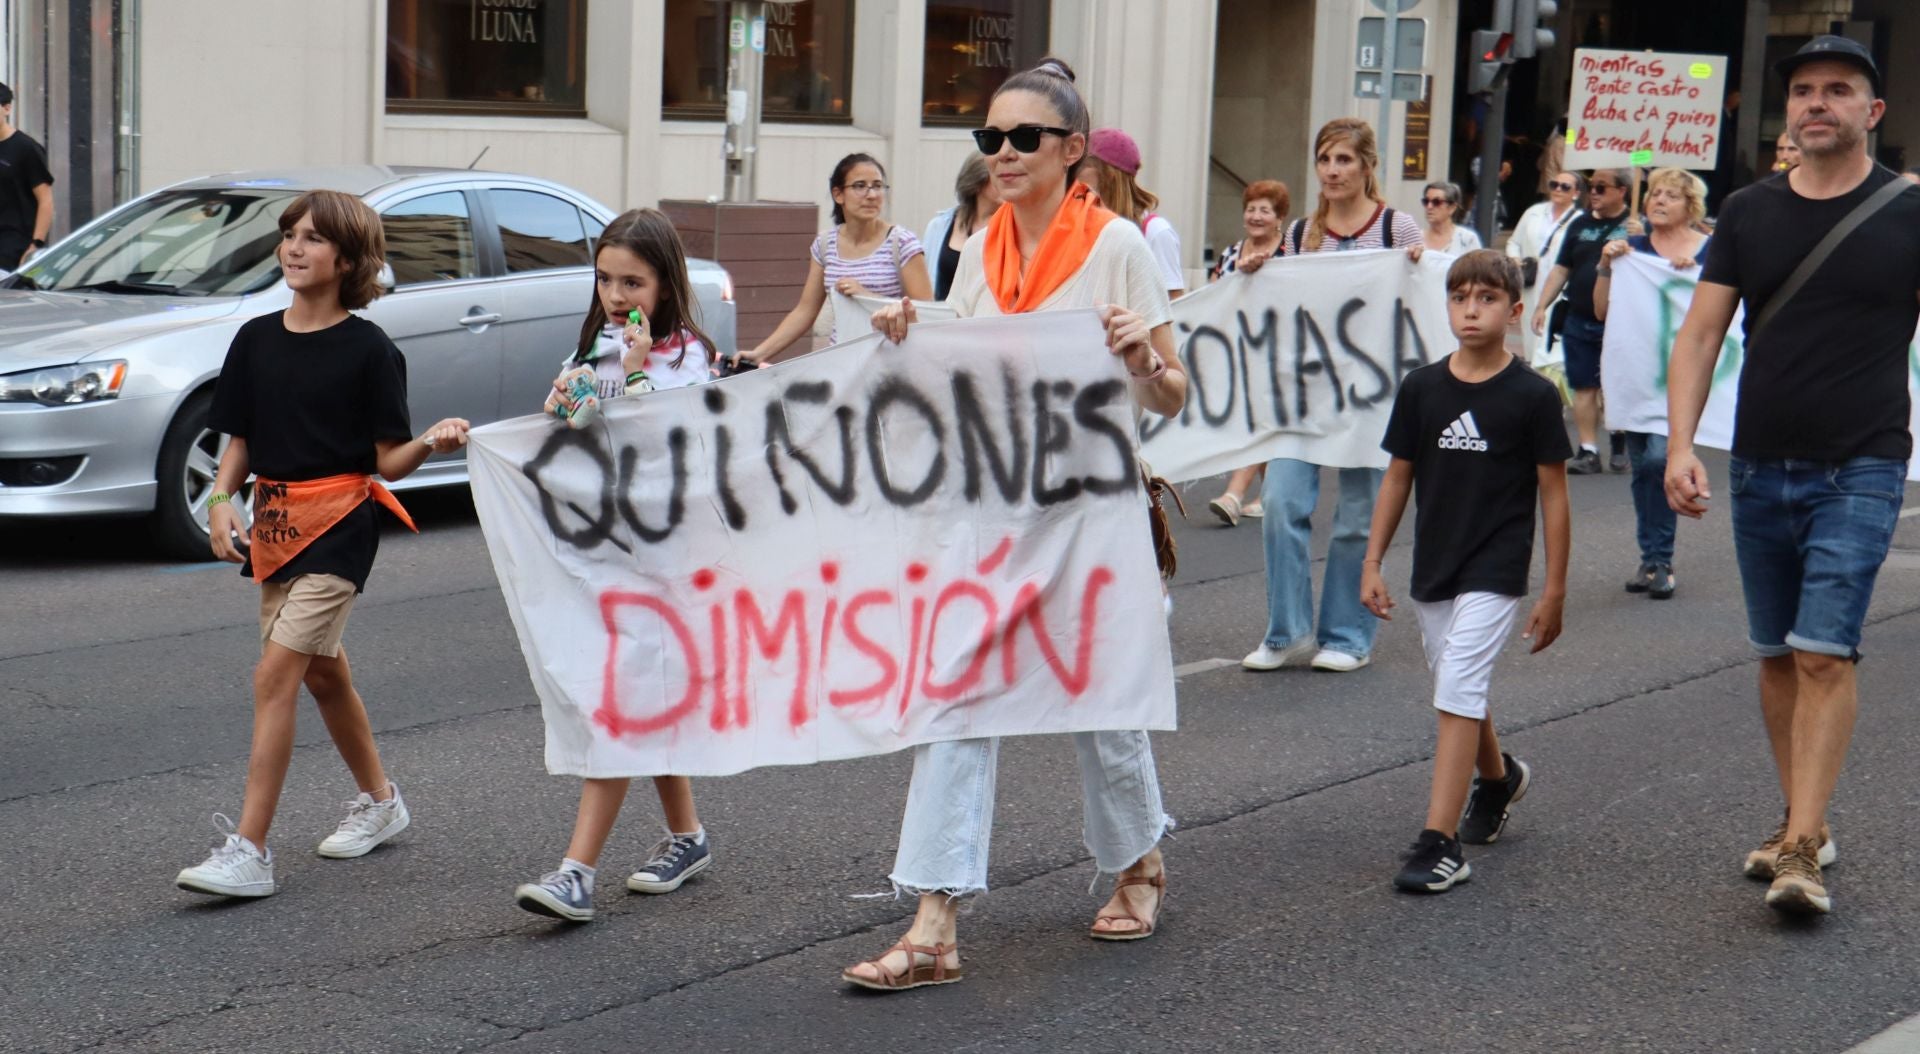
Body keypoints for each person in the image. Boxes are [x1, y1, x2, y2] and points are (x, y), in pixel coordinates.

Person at [845, 57, 1188, 991]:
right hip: (992, 514)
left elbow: (1173, 391)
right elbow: (960, 370)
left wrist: (1138, 361)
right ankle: (933, 923)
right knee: (955, 694)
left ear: (1073, 151)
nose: (1002, 152)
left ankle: (1138, 862)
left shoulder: (1117, 244)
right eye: (988, 137)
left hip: (1092, 515)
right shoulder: (981, 247)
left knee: (1104, 701)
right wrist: (913, 334)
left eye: (1023, 137)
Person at [1666, 36, 1920, 917]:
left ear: (1871, 113)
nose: (1817, 103)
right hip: (1760, 462)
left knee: (1821, 652)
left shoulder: (1908, 211)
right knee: (1776, 653)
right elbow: (1700, 334)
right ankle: (1800, 816)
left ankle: (1803, 848)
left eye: (1838, 91)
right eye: (1804, 91)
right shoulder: (1747, 211)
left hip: (1865, 462)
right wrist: (1680, 445)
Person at [173, 190, 472, 899]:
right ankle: (382, 801)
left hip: (341, 527)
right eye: (288, 235)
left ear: (348, 258)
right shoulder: (255, 338)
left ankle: (249, 850)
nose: (294, 248)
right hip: (275, 525)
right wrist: (220, 502)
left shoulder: (371, 349)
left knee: (273, 676)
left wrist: (430, 441)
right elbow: (240, 439)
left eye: (312, 238)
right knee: (322, 675)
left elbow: (385, 461)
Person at [513, 209, 724, 922]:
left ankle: (577, 871)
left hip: (665, 565)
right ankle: (687, 836)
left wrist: (633, 377)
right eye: (604, 278)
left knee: (622, 702)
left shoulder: (690, 358)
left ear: (666, 284)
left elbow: (669, 449)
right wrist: (561, 405)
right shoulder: (592, 349)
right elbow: (569, 434)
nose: (615, 294)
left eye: (632, 280)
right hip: (602, 556)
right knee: (641, 697)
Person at [1362, 250, 1570, 893]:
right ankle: (1499, 779)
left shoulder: (1533, 395)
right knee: (1459, 683)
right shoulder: (1422, 387)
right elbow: (1398, 477)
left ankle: (1439, 842)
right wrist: (1372, 561)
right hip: (1436, 563)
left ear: (1513, 312)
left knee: (1455, 686)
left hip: (1496, 567)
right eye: (1460, 298)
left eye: (1485, 299)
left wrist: (1555, 589)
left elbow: (1554, 495)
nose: (1471, 309)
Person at [1243, 117, 1423, 675]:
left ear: (1368, 165)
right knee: (1280, 504)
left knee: (1356, 518)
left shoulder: (1398, 229)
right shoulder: (1299, 235)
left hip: (1375, 398)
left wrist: (1423, 273)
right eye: (1325, 159)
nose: (1332, 170)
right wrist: (1256, 272)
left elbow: (1428, 301)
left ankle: (1346, 634)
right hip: (1308, 393)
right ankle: (1287, 632)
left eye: (1344, 159)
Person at [1592, 168, 1712, 602]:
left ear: (1690, 207)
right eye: (1655, 193)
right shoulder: (1633, 250)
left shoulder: (1708, 251)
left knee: (1659, 461)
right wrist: (1607, 265)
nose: (1659, 200)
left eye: (1671, 196)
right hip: (1637, 375)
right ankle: (1650, 558)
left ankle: (1661, 559)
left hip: (1682, 379)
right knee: (1644, 468)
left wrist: (1692, 273)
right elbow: (1602, 311)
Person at [734, 153, 931, 365]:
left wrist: (867, 297)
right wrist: (760, 353)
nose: (872, 194)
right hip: (841, 364)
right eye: (860, 186)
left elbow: (926, 313)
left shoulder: (901, 242)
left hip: (890, 365)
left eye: (877, 186)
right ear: (838, 194)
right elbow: (805, 311)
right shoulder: (825, 244)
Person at [1532, 168, 1636, 475]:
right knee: (1583, 385)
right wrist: (1542, 306)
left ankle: (1619, 440)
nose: (1594, 192)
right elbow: (1562, 268)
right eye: (1591, 186)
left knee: (1614, 384)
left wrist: (1640, 237)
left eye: (1602, 187)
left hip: (1619, 320)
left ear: (1622, 191)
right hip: (1578, 317)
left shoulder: (1634, 225)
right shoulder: (1579, 223)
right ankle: (1588, 449)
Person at [1204, 179, 1290, 527]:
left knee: (1259, 422)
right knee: (1250, 424)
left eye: (1264, 210)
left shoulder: (1288, 256)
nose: (1256, 216)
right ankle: (1276, 497)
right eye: (1251, 209)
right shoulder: (1229, 254)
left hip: (1274, 353)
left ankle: (1233, 495)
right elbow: (1212, 296)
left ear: (1279, 218)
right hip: (1233, 352)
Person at [1077, 126, 1186, 297]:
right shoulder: (1080, 225)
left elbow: (1175, 305)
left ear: (1108, 173)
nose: (1072, 173)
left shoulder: (1155, 232)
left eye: (1081, 165)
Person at [1507, 171, 1584, 367]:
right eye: (1554, 184)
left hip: (1560, 289)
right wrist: (1515, 260)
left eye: (1565, 186)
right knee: (1530, 333)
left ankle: (1547, 378)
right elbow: (1514, 242)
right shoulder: (1533, 212)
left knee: (1551, 340)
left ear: (1576, 193)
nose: (1558, 189)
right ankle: (1532, 371)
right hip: (1531, 283)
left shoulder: (1581, 220)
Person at [921, 154, 1000, 301]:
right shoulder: (939, 226)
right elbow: (925, 279)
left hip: (983, 319)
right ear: (977, 181)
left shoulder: (1012, 227)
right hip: (940, 318)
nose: (1006, 180)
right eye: (997, 174)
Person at [0, 81, 54, 272]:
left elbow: (45, 200)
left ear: (7, 108)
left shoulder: (26, 148)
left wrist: (36, 245)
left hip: (13, 249)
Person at [1420, 181, 1484, 254]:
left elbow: (1477, 265)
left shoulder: (1467, 239)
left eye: (1436, 202)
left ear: (1452, 208)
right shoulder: (1416, 239)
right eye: (1426, 201)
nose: (1429, 206)